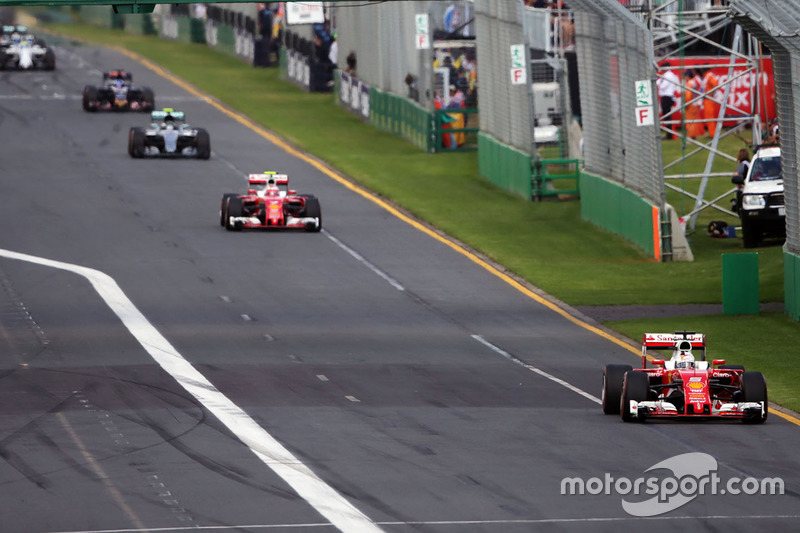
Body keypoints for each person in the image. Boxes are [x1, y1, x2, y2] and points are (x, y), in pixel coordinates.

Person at [657, 61, 680, 139]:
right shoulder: (665, 75)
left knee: (667, 116)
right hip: (666, 97)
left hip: (667, 96)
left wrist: (659, 83)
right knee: (666, 115)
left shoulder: (669, 76)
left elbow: (662, 86)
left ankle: (669, 135)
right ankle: (669, 134)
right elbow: (658, 83)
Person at [683, 69, 703, 139]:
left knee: (690, 121)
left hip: (691, 104)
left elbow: (688, 96)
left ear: (688, 76)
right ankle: (693, 135)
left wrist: (686, 104)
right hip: (695, 102)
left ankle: (691, 136)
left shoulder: (689, 83)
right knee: (693, 121)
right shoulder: (694, 82)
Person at [701, 67, 720, 137]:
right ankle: (711, 133)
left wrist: (711, 94)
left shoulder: (709, 76)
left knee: (709, 117)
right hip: (707, 99)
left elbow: (715, 84)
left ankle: (713, 134)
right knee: (708, 117)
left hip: (709, 99)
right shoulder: (707, 76)